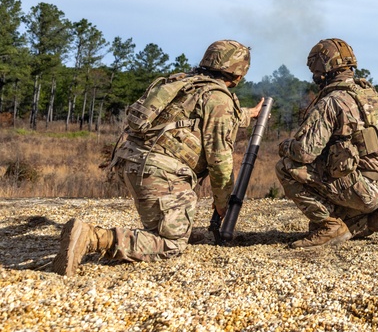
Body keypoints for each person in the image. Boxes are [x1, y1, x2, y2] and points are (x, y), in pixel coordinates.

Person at [53, 39, 262, 276]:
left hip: (132, 163)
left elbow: (200, 117)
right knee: (171, 244)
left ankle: (161, 228)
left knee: (170, 227)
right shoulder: (218, 99)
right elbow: (220, 159)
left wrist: (249, 114)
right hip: (159, 173)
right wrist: (223, 201)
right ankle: (93, 238)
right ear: (238, 73)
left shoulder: (183, 83)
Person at [276, 37, 378, 247]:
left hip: (362, 188)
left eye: (315, 69)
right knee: (336, 200)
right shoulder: (367, 94)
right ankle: (377, 219)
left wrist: (284, 145)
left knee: (286, 166)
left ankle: (329, 227)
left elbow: (304, 153)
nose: (314, 76)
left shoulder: (332, 101)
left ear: (324, 68)